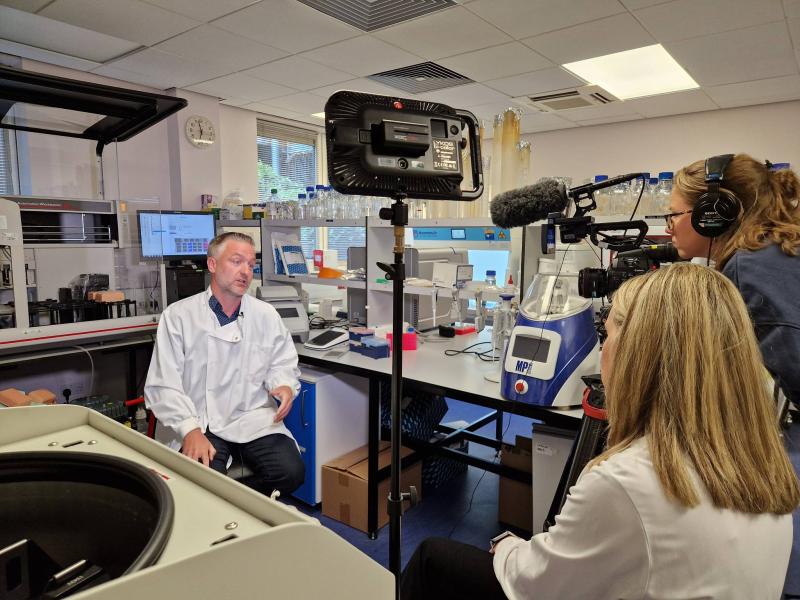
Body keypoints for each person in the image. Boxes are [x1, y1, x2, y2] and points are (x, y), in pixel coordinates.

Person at [400, 263, 799, 600]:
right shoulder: (764, 466)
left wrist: (505, 545)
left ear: (638, 354)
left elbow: (537, 585)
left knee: (433, 557)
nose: (602, 348)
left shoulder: (628, 481)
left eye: (606, 335)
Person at [145, 231, 304, 497]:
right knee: (201, 484)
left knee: (291, 472)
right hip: (202, 420)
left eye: (251, 265)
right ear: (212, 265)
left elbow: (282, 363)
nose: (245, 271)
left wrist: (284, 386)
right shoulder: (179, 317)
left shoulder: (265, 315)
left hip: (253, 417)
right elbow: (163, 386)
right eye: (236, 261)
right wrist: (189, 429)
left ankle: (240, 506)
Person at [666, 154, 800, 404]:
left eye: (674, 214)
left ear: (715, 212)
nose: (668, 227)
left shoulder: (750, 265)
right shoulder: (775, 250)